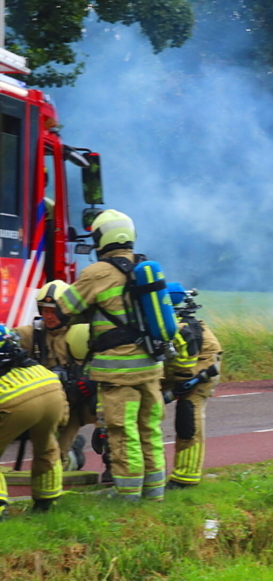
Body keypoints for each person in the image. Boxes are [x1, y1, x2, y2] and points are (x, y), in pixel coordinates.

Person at [55, 209, 167, 502]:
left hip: (119, 372)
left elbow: (65, 308)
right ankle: (154, 491)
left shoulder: (97, 273)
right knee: (149, 429)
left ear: (100, 238)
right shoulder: (143, 268)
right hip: (151, 367)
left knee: (122, 430)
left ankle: (127, 494)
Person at [15, 281, 90, 473]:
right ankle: (72, 452)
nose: (48, 316)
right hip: (51, 404)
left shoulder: (84, 333)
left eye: (54, 311)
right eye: (44, 310)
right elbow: (11, 337)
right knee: (52, 464)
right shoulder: (35, 334)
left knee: (115, 419)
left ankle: (110, 460)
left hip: (80, 403)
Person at [0, 324, 68, 517]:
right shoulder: (5, 335)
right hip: (48, 383)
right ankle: (48, 501)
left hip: (11, 394)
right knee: (46, 446)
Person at [163, 284, 223, 489]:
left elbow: (184, 366)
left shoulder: (180, 327)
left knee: (188, 417)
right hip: (185, 363)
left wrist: (178, 386)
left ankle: (186, 477)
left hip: (202, 365)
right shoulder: (172, 322)